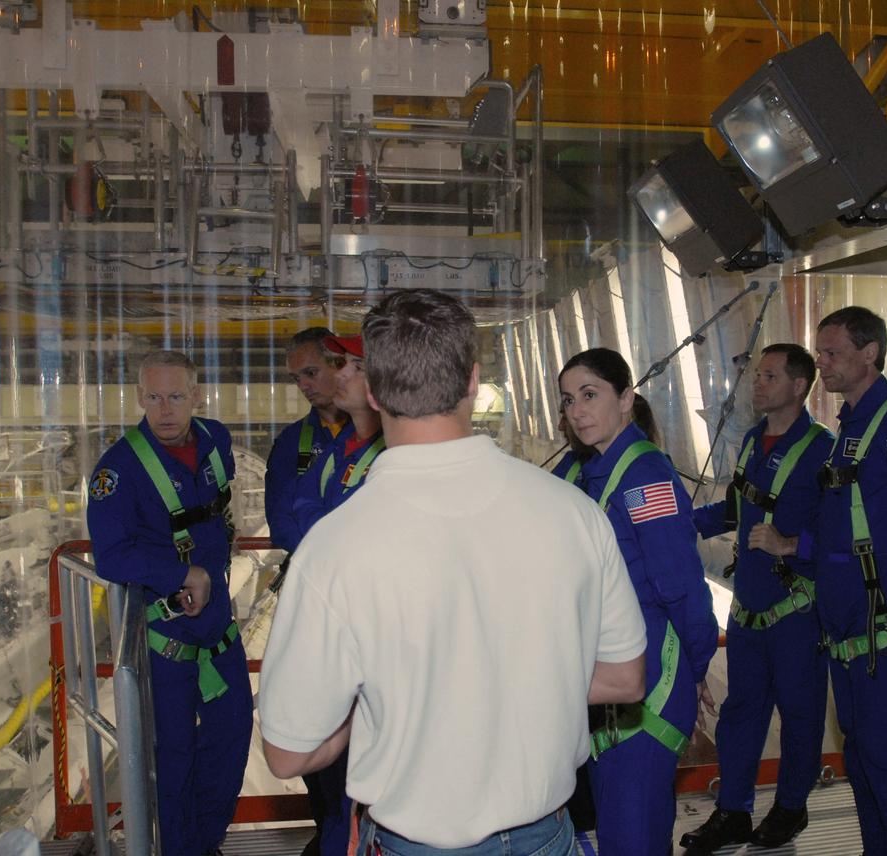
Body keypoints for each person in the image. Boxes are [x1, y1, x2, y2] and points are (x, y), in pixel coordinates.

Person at [259, 289, 648, 856]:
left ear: (371, 390)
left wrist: (382, 706)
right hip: (550, 838)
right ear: (471, 381)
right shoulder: (573, 512)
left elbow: (288, 753)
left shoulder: (335, 549)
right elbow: (624, 679)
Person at [751, 307, 887, 856]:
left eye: (831, 353)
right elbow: (841, 532)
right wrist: (797, 548)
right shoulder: (851, 430)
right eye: (819, 353)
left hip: (886, 629)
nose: (821, 363)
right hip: (848, 630)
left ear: (869, 354)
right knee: (865, 765)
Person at [86, 350, 253, 856]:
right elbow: (111, 555)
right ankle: (182, 849)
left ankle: (206, 841)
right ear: (139, 398)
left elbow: (216, 506)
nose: (165, 409)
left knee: (231, 736)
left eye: (176, 396)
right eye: (154, 397)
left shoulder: (215, 440)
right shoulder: (117, 470)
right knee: (174, 755)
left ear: (196, 397)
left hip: (219, 631)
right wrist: (181, 572)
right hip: (168, 638)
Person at [557, 347, 719, 855]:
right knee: (616, 829)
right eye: (567, 401)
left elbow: (682, 585)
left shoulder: (644, 475)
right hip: (604, 673)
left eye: (590, 395)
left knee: (633, 835)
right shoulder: (581, 471)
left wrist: (694, 672)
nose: (577, 411)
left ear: (626, 398)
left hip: (652, 676)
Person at [682, 343, 833, 852]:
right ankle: (734, 812)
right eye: (756, 375)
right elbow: (736, 506)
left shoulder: (821, 450)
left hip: (796, 612)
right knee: (740, 716)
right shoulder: (751, 441)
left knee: (800, 715)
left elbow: (846, 533)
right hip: (748, 611)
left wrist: (792, 545)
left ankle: (790, 807)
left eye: (769, 376)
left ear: (798, 386)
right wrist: (684, 525)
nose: (758, 384)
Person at [285, 332, 385, 856]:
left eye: (349, 366)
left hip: (365, 647)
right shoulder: (342, 446)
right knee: (334, 788)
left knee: (359, 787)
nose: (336, 375)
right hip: (334, 635)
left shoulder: (390, 456)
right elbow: (301, 517)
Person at [289, 335, 385, 541]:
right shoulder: (340, 446)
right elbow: (302, 501)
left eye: (358, 367)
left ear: (387, 381)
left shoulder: (393, 453)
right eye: (342, 363)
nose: (340, 375)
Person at [265, 328, 348, 554]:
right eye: (296, 378)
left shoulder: (377, 434)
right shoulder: (291, 443)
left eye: (311, 373)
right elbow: (280, 519)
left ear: (340, 365)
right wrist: (316, 557)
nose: (303, 386)